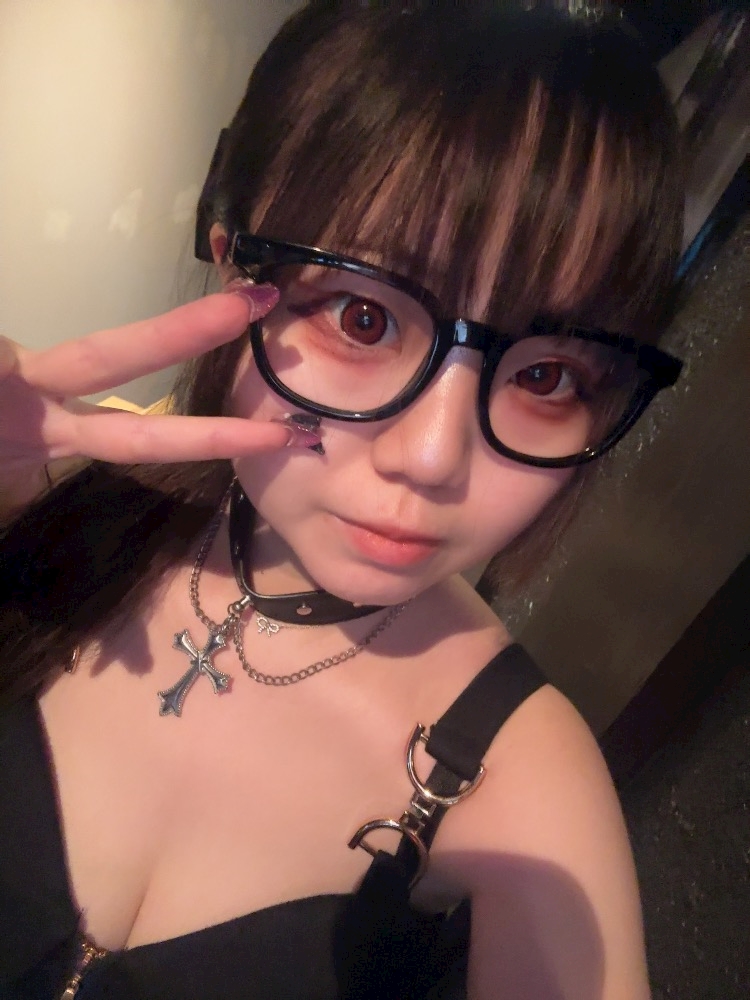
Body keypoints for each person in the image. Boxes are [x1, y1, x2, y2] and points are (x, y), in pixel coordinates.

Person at [0, 3, 685, 998]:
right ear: (232, 259)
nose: (433, 457)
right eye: (364, 317)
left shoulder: (530, 800)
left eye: (546, 377)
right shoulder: (58, 503)